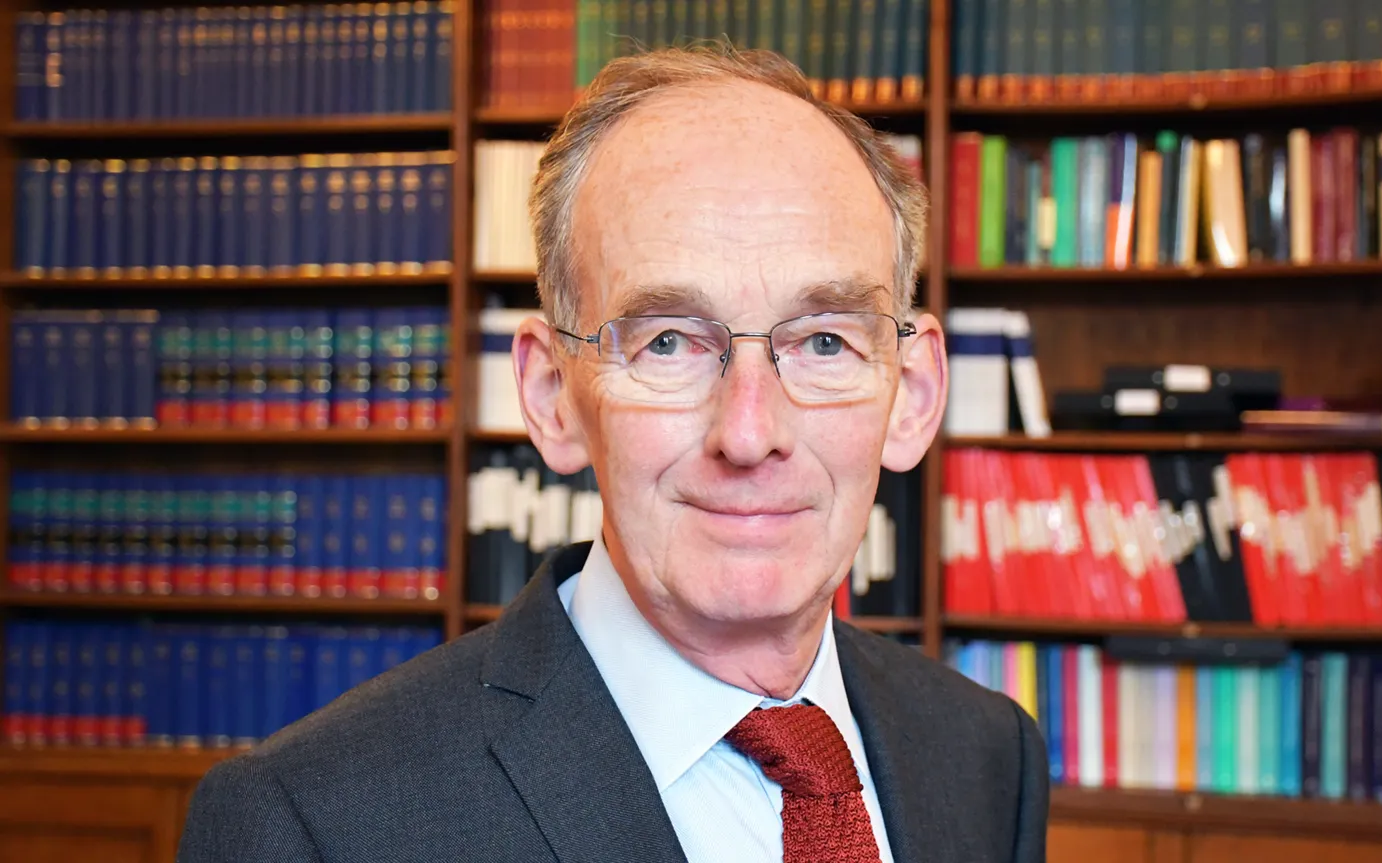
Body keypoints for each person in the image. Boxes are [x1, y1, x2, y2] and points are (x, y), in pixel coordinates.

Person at [178, 44, 1048, 863]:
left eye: (825, 342)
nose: (749, 433)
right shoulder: (311, 824)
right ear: (553, 395)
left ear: (916, 394)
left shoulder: (985, 753)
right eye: (668, 341)